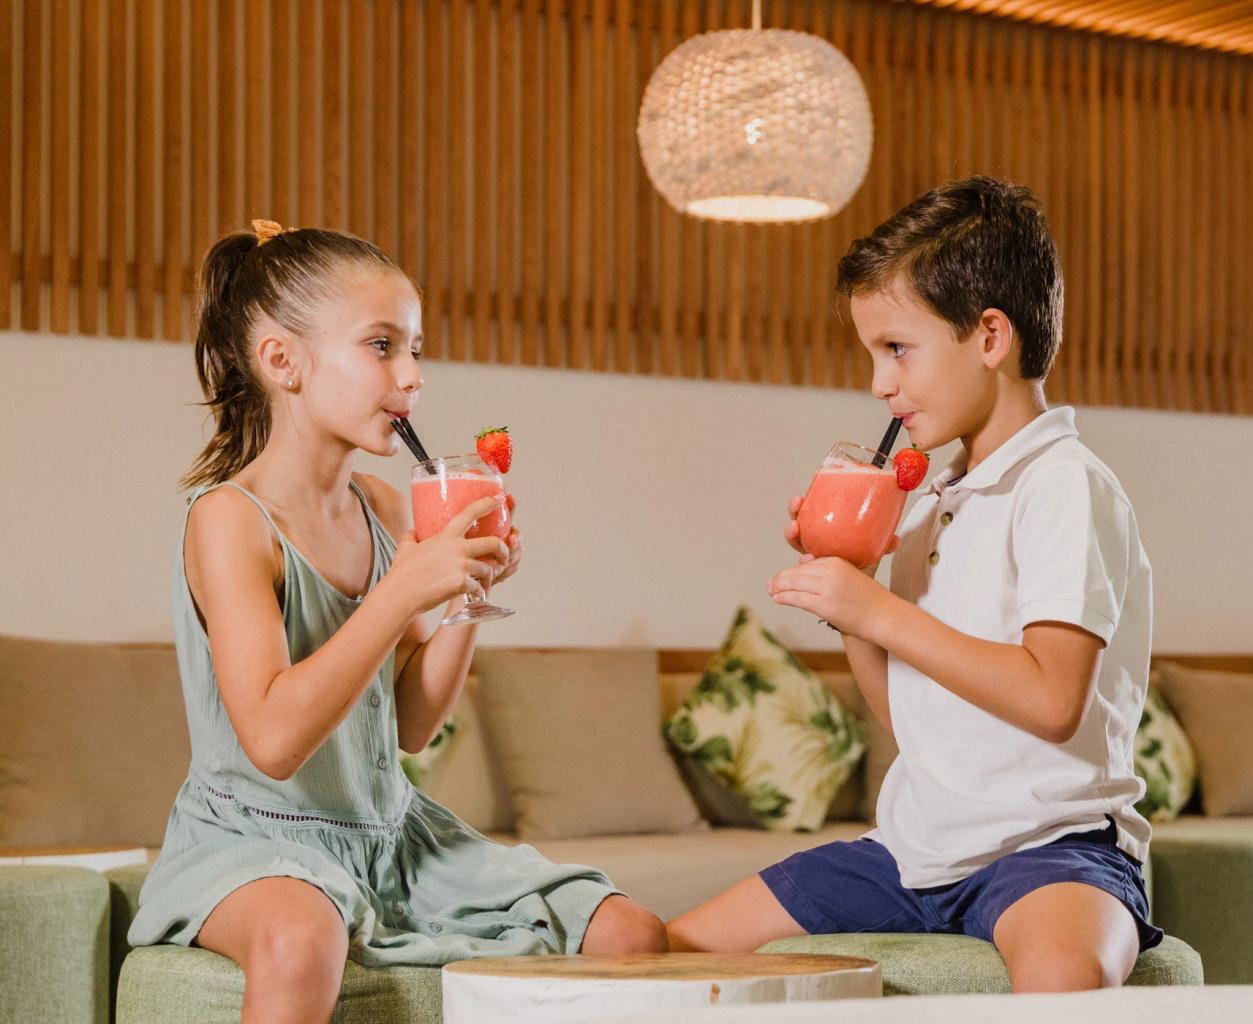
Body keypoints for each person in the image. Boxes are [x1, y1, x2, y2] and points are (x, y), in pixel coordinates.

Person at [129, 220, 665, 1024]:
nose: (412, 376)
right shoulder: (230, 520)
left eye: (417, 349)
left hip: (393, 838)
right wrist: (399, 593)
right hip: (252, 839)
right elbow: (272, 743)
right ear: (283, 361)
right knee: (301, 939)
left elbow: (412, 726)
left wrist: (460, 597)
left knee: (630, 932)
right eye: (382, 346)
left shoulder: (385, 510)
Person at [667, 178, 1161, 992]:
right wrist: (855, 600)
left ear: (991, 336)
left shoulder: (1063, 484)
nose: (877, 384)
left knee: (1066, 977)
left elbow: (1052, 701)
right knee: (671, 951)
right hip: (911, 851)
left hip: (1051, 846)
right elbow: (914, 724)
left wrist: (879, 609)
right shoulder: (929, 501)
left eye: (896, 349)